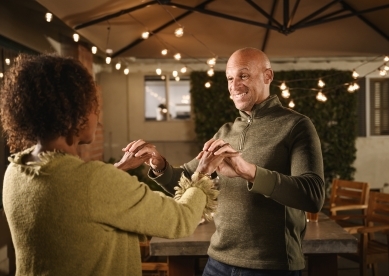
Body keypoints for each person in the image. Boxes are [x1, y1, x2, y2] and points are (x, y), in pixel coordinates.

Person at [0, 53, 238, 276]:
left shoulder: (16, 171)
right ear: (76, 114)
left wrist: (118, 169)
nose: (98, 116)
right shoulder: (95, 182)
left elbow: (74, 199)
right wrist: (203, 171)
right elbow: (181, 220)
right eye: (94, 107)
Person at [124, 47, 325, 275]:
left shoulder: (296, 126)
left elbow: (313, 195)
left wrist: (249, 172)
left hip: (270, 267)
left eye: (244, 75)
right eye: (230, 78)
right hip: (217, 262)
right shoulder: (225, 132)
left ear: (268, 76)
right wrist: (159, 165)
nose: (234, 85)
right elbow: (188, 181)